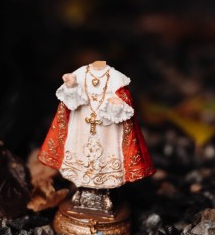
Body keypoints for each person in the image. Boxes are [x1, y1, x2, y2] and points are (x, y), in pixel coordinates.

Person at [38, 61, 155, 210]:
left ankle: (105, 192)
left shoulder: (116, 77)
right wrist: (71, 86)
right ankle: (81, 190)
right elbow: (70, 102)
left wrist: (115, 104)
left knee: (105, 156)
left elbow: (125, 102)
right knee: (81, 155)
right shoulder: (80, 73)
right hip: (82, 123)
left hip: (107, 128)